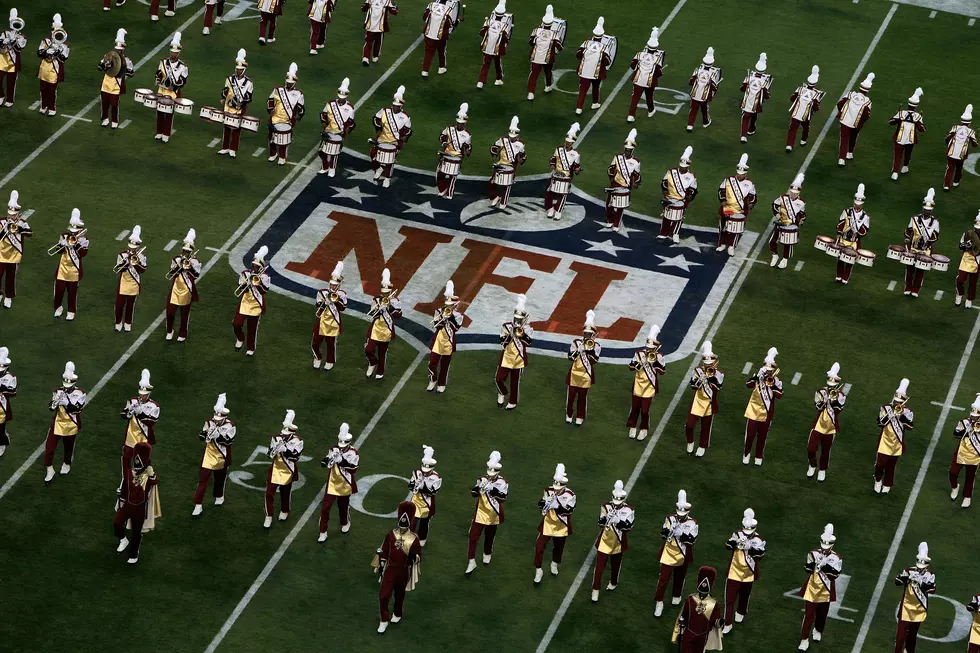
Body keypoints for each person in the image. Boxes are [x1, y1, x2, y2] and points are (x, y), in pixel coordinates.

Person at [375, 502, 422, 634]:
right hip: (390, 569)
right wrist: (381, 564)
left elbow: (419, 556)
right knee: (383, 596)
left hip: (403, 570)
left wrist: (414, 556)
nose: (401, 528)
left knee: (400, 595)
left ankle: (397, 613)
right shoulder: (391, 534)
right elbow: (384, 550)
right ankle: (383, 620)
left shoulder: (414, 538)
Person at [113, 442, 160, 565]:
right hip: (128, 505)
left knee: (136, 533)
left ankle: (134, 554)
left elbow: (155, 481)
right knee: (117, 523)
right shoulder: (130, 472)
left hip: (140, 508)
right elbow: (125, 487)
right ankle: (123, 540)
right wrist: (121, 502)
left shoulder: (148, 475)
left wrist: (151, 473)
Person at [798, 524, 842, 651]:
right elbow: (807, 568)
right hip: (812, 589)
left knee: (822, 615)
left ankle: (818, 630)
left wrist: (825, 566)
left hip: (826, 590)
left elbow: (835, 575)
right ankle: (804, 639)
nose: (825, 549)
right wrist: (815, 565)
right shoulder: (813, 553)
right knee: (808, 616)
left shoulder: (836, 558)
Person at [655, 490, 699, 617]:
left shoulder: (693, 523)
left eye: (683, 514)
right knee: (663, 579)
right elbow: (663, 533)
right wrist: (667, 531)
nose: (680, 516)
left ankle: (676, 594)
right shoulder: (670, 518)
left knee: (680, 577)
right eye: (679, 513)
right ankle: (659, 602)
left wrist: (681, 534)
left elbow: (692, 540)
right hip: (668, 552)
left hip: (683, 553)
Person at [192, 393, 236, 516]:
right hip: (209, 455)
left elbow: (229, 441)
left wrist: (218, 436)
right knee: (203, 480)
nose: (216, 421)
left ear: (224, 418)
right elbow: (202, 435)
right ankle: (198, 505)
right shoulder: (209, 422)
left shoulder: (230, 426)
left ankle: (219, 495)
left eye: (219, 420)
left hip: (222, 455)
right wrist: (205, 435)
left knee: (220, 478)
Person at [465, 450, 509, 575]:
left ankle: (487, 553)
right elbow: (474, 494)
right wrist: (477, 490)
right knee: (473, 536)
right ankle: (471, 561)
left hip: (493, 514)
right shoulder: (482, 479)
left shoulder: (503, 483)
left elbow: (503, 499)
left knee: (489, 537)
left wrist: (495, 492)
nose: (490, 475)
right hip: (480, 512)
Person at [723, 509, 766, 634]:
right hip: (734, 571)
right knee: (729, 599)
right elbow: (727, 545)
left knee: (744, 596)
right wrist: (735, 543)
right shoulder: (737, 534)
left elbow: (761, 555)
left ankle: (741, 611)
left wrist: (750, 548)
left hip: (748, 573)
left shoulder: (758, 540)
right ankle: (727, 623)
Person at [590, 480, 634, 603]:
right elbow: (600, 522)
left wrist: (618, 520)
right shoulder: (606, 506)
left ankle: (613, 582)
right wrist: (606, 519)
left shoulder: (629, 510)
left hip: (618, 541)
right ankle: (595, 589)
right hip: (605, 540)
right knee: (599, 567)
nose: (616, 504)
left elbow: (628, 527)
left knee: (615, 565)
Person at [43, 361, 86, 483]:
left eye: (69, 385)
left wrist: (66, 403)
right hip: (58, 423)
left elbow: (77, 409)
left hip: (71, 424)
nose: (66, 387)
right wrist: (54, 403)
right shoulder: (58, 391)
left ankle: (67, 463)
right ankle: (49, 469)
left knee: (68, 447)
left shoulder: (80, 393)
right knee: (49, 447)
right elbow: (51, 406)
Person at [534, 464, 576, 583]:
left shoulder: (570, 495)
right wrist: (543, 503)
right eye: (555, 486)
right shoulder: (548, 491)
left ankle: (554, 563)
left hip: (561, 525)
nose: (556, 489)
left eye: (558, 487)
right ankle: (538, 570)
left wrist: (556, 506)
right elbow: (541, 502)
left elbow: (569, 510)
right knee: (539, 547)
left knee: (558, 548)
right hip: (547, 523)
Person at [318, 423, 359, 542]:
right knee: (325, 508)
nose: (341, 447)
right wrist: (329, 460)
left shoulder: (353, 453)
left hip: (345, 483)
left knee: (343, 506)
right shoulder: (334, 449)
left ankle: (345, 522)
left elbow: (354, 469)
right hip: (332, 483)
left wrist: (342, 461)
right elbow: (327, 462)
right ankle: (322, 531)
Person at [743, 347, 783, 466]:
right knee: (750, 435)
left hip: (767, 413)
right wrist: (757, 377)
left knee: (762, 436)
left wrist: (772, 385)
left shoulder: (776, 380)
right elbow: (748, 385)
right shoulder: (758, 376)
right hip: (753, 411)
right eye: (766, 369)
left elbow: (780, 395)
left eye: (770, 370)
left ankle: (759, 456)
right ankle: (746, 454)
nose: (768, 372)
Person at [807, 363, 846, 482]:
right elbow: (817, 406)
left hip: (831, 427)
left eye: (833, 385)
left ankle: (822, 470)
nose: (830, 387)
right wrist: (825, 400)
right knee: (811, 448)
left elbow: (838, 411)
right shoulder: (820, 392)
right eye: (829, 385)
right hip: (818, 424)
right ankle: (812, 465)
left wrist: (833, 402)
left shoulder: (841, 395)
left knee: (826, 450)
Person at [894, 542, 936, 653]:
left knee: (911, 638)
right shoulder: (909, 571)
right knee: (900, 638)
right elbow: (897, 581)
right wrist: (907, 578)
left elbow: (932, 590)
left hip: (918, 610)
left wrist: (922, 584)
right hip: (906, 608)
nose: (919, 569)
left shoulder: (930, 575)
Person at [264, 409, 303, 528]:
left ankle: (284, 510)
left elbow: (296, 457)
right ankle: (268, 515)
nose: (283, 436)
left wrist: (286, 450)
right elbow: (270, 452)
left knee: (285, 492)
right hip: (276, 468)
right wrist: (273, 450)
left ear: (292, 433)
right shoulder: (276, 438)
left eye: (286, 435)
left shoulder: (298, 441)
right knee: (269, 493)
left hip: (288, 469)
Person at [874, 378, 914, 495]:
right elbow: (879, 423)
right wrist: (891, 414)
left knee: (891, 465)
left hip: (897, 442)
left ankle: (887, 484)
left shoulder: (907, 411)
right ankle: (877, 479)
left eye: (899, 402)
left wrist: (901, 416)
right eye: (896, 401)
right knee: (880, 464)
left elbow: (910, 426)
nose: (897, 404)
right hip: (884, 441)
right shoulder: (886, 408)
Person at [626, 324, 666, 441]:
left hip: (650, 386)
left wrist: (654, 362)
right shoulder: (639, 354)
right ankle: (632, 426)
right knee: (635, 407)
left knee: (645, 410)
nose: (648, 349)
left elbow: (662, 371)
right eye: (647, 347)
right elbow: (631, 367)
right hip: (638, 384)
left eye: (650, 348)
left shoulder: (659, 356)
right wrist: (640, 362)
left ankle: (644, 429)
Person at [672, 566, 724, 653]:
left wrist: (720, 622)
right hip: (688, 633)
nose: (702, 594)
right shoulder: (690, 599)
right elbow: (683, 616)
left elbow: (715, 621)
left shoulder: (714, 604)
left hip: (702, 636)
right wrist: (679, 631)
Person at [119, 369, 160, 477]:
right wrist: (129, 411)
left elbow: (151, 422)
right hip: (130, 436)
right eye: (140, 394)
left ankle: (141, 482)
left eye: (144, 395)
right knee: (126, 458)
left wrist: (140, 413)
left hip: (143, 438)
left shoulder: (154, 406)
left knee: (142, 463)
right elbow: (123, 414)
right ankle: (125, 482)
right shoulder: (132, 401)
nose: (142, 396)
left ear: (149, 394)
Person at [686, 341, 724, 457]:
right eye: (706, 363)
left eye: (710, 363)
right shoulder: (697, 371)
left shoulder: (719, 374)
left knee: (706, 427)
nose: (708, 365)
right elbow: (693, 386)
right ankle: (690, 442)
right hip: (697, 401)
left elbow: (718, 388)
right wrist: (700, 380)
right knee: (689, 425)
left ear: (713, 363)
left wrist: (711, 379)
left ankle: (702, 446)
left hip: (709, 403)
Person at [370, 85, 412, 187]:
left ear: (401, 106)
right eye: (394, 105)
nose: (395, 107)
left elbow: (408, 131)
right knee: (373, 155)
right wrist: (379, 129)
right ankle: (380, 169)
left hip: (395, 142)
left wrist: (404, 137)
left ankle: (387, 178)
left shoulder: (405, 117)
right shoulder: (384, 110)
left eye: (397, 106)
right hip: (382, 139)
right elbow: (375, 119)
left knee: (389, 161)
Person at [495, 294, 532, 409]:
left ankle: (513, 401)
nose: (517, 321)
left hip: (519, 358)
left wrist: (521, 333)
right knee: (498, 379)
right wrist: (511, 334)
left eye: (519, 319)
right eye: (516, 318)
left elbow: (528, 343)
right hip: (506, 357)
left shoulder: (527, 329)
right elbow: (503, 343)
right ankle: (502, 393)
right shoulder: (506, 326)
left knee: (515, 382)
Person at [233, 246, 271, 356]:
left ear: (261, 268)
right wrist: (247, 282)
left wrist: (257, 283)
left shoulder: (265, 277)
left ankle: (250, 348)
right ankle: (240, 338)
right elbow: (241, 288)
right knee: (236, 323)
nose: (254, 268)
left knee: (252, 328)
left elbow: (264, 291)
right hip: (245, 302)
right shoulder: (245, 273)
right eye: (253, 266)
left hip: (256, 304)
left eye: (256, 267)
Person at [365, 268, 402, 379]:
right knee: (369, 349)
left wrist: (389, 307)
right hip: (375, 328)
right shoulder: (377, 299)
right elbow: (372, 314)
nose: (384, 294)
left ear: (390, 292)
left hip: (386, 330)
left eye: (386, 293)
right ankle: (372, 362)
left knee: (382, 353)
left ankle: (380, 371)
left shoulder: (395, 301)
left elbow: (399, 316)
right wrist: (379, 308)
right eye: (383, 292)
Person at [716, 153, 756, 256]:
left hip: (740, 210)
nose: (739, 175)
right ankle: (721, 244)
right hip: (727, 208)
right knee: (723, 227)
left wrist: (751, 204)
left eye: (741, 174)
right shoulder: (729, 180)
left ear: (745, 174)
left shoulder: (750, 183)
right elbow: (721, 190)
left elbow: (753, 196)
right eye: (738, 173)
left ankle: (731, 246)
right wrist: (723, 200)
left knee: (735, 230)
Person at [902, 188, 940, 297]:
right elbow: (908, 230)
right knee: (909, 269)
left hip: (925, 249)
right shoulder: (914, 218)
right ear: (923, 209)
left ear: (931, 210)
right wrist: (907, 238)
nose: (927, 211)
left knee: (920, 270)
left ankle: (916, 290)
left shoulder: (935, 222)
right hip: (913, 247)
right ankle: (908, 287)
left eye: (929, 210)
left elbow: (935, 236)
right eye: (925, 209)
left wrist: (926, 243)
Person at [165, 229, 200, 342]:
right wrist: (177, 267)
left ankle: (183, 333)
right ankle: (170, 331)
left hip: (187, 289)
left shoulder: (195, 261)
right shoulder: (176, 259)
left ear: (191, 251)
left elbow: (196, 275)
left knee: (184, 314)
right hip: (175, 288)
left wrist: (189, 267)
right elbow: (170, 273)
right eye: (184, 250)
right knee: (170, 312)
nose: (185, 253)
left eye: (187, 251)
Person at [51, 208, 88, 321]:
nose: (73, 232)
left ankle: (71, 311)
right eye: (72, 230)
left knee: (72, 292)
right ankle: (58, 308)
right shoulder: (64, 236)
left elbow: (83, 253)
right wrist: (63, 244)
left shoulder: (84, 239)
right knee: (59, 290)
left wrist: (76, 244)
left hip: (74, 269)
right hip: (62, 268)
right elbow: (58, 251)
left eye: (75, 231)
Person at [266, 63, 305, 165]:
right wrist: (270, 110)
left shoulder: (299, 94)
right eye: (287, 82)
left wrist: (297, 116)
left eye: (290, 83)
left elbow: (300, 108)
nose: (288, 84)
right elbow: (270, 100)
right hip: (275, 117)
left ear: (294, 83)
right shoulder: (278, 89)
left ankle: (282, 157)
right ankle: (273, 154)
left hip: (287, 119)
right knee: (271, 138)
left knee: (284, 139)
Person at [565, 310, 600, 425]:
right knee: (570, 397)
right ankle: (569, 414)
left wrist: (589, 351)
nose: (586, 335)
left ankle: (580, 416)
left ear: (592, 334)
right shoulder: (576, 343)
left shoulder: (596, 345)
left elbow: (595, 360)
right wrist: (579, 351)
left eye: (589, 334)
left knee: (582, 397)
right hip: (574, 373)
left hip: (586, 375)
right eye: (585, 333)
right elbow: (570, 357)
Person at [217, 49, 253, 158]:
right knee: (226, 127)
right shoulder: (229, 79)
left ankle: (233, 149)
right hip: (228, 106)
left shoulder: (248, 83)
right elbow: (225, 90)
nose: (238, 71)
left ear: (244, 70)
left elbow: (249, 97)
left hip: (239, 107)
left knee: (237, 129)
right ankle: (225, 147)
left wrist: (240, 104)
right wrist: (223, 98)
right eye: (237, 69)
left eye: (240, 70)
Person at [428, 281, 463, 392]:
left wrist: (450, 317)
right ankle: (433, 379)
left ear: (453, 306)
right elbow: (436, 326)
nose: (447, 307)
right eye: (446, 305)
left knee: (445, 365)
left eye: (449, 306)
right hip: (438, 341)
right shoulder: (438, 311)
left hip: (448, 342)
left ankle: (441, 383)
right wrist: (442, 318)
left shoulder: (458, 316)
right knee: (432, 363)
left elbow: (456, 328)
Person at [153, 32, 187, 143]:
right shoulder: (163, 62)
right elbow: (159, 73)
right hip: (162, 90)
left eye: (176, 53)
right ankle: (159, 132)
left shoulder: (183, 66)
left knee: (168, 113)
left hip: (173, 92)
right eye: (172, 52)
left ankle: (166, 133)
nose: (173, 54)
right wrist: (157, 80)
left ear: (179, 53)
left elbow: (183, 80)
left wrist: (174, 86)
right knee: (159, 111)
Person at [312, 261, 347, 370]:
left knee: (331, 344)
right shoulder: (322, 292)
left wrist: (335, 300)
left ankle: (330, 361)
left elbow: (343, 308)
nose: (332, 286)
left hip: (334, 321)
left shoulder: (342, 294)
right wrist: (325, 302)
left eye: (335, 285)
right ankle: (317, 357)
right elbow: (317, 306)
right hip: (322, 320)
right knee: (315, 343)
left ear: (339, 285)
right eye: (331, 284)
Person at [317, 78, 356, 177]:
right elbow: (323, 114)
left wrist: (344, 133)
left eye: (343, 97)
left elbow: (351, 123)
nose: (341, 98)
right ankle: (325, 167)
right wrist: (324, 124)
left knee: (334, 153)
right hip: (328, 131)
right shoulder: (330, 103)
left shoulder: (350, 108)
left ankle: (332, 169)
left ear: (346, 96)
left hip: (338, 133)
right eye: (340, 96)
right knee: (322, 151)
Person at [574, 17, 613, 115]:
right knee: (596, 87)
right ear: (602, 36)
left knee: (582, 90)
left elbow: (578, 54)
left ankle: (579, 108)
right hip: (596, 72)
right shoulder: (604, 47)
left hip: (584, 71)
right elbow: (607, 61)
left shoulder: (586, 43)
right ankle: (595, 103)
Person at [0, 191, 32, 308]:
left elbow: (30, 233)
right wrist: (4, 230)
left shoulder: (22, 223)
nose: (10, 216)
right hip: (1, 253)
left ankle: (8, 297)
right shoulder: (2, 221)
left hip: (14, 255)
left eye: (13, 214)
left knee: (10, 276)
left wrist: (18, 229)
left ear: (17, 214)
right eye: (9, 214)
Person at [605, 129, 641, 232]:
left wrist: (636, 183)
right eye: (626, 149)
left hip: (626, 186)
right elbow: (611, 168)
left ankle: (616, 223)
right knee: (609, 204)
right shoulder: (617, 157)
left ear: (632, 150)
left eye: (629, 150)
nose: (627, 152)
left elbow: (637, 174)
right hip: (615, 183)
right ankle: (610, 220)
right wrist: (611, 178)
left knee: (620, 206)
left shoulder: (636, 162)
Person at [659, 147, 698, 242]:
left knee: (679, 217)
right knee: (666, 216)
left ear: (688, 166)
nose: (681, 168)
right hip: (669, 197)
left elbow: (693, 189)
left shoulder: (691, 176)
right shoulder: (671, 172)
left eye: (684, 167)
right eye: (681, 166)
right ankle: (663, 233)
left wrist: (690, 196)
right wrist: (664, 190)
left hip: (682, 200)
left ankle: (675, 234)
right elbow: (664, 182)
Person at [98, 29, 135, 129]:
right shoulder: (108, 56)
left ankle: (114, 120)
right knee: (104, 103)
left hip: (116, 84)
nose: (118, 51)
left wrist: (123, 70)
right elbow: (100, 66)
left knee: (114, 104)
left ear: (123, 50)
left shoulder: (127, 60)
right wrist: (105, 65)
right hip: (106, 82)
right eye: (117, 49)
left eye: (120, 50)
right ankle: (105, 118)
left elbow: (132, 73)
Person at [544, 123, 582, 220]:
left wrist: (577, 170)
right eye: (567, 141)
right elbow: (553, 158)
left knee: (563, 194)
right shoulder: (559, 149)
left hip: (566, 176)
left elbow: (576, 166)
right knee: (550, 192)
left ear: (573, 142)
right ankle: (550, 208)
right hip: (556, 174)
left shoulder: (576, 154)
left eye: (570, 142)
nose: (568, 143)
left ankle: (558, 211)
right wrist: (552, 164)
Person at [626, 28, 664, 123]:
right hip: (649, 82)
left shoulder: (639, 54)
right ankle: (650, 110)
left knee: (635, 97)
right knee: (649, 96)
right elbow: (658, 73)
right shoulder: (657, 59)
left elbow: (632, 65)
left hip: (638, 79)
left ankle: (630, 115)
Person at [113, 226, 147, 332]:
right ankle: (118, 323)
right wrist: (126, 262)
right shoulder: (122, 255)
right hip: (123, 283)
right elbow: (118, 269)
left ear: (138, 246)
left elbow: (143, 269)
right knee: (119, 305)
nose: (132, 249)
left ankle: (128, 323)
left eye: (134, 247)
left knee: (130, 306)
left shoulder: (141, 256)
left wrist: (136, 263)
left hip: (134, 283)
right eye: (131, 247)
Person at [769, 173, 807, 269]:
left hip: (791, 225)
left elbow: (802, 214)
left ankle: (785, 259)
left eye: (795, 193)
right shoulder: (783, 197)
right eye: (792, 192)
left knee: (787, 244)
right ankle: (775, 255)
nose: (793, 194)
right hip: (780, 223)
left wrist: (801, 220)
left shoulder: (802, 202)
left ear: (798, 193)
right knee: (772, 241)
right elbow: (774, 205)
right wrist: (777, 214)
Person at [949, 394, 980, 508]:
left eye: (975, 417)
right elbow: (955, 434)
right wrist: (966, 431)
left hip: (975, 454)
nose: (973, 419)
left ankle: (967, 497)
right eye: (972, 416)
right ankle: (954, 487)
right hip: (961, 451)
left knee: (970, 477)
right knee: (953, 472)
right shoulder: (964, 422)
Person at [836, 73, 874, 166]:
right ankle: (849, 153)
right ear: (868, 90)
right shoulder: (868, 101)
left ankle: (841, 159)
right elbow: (866, 115)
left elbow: (840, 104)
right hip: (856, 123)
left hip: (845, 120)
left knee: (844, 139)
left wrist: (841, 112)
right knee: (853, 137)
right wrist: (861, 122)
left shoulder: (850, 94)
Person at [834, 184, 870, 284]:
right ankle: (839, 275)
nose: (857, 205)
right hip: (843, 238)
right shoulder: (846, 211)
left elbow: (865, 229)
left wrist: (858, 233)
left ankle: (845, 277)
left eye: (859, 204)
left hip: (854, 241)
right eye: (856, 203)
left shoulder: (865, 216)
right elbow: (841, 223)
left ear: (862, 204)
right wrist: (838, 233)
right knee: (840, 258)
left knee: (851, 260)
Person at [489, 116, 526, 209]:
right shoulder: (502, 140)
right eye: (510, 136)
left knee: (507, 185)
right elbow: (494, 147)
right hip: (500, 164)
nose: (511, 138)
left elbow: (523, 155)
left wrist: (521, 160)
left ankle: (503, 202)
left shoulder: (521, 144)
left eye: (513, 137)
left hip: (511, 166)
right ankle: (494, 197)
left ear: (517, 135)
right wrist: (494, 154)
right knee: (492, 182)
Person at [889, 87, 926, 181]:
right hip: (911, 139)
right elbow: (922, 129)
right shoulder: (918, 116)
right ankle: (905, 167)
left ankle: (895, 172)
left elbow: (890, 122)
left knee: (898, 155)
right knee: (908, 153)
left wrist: (897, 117)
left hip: (899, 137)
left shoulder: (901, 113)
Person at [435, 104, 472, 199]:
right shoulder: (449, 129)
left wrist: (467, 150)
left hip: (456, 157)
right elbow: (442, 136)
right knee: (439, 174)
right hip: (446, 154)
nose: (460, 125)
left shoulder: (467, 134)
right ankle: (442, 189)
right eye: (458, 123)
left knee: (453, 177)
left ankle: (450, 193)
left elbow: (468, 147)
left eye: (462, 123)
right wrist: (444, 143)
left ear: (465, 123)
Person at [526, 5, 562, 100]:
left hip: (536, 57)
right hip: (548, 58)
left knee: (533, 74)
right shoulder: (554, 34)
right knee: (548, 72)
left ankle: (530, 93)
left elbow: (530, 41)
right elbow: (559, 47)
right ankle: (548, 86)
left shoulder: (536, 30)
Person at [36, 13, 69, 116]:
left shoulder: (64, 45)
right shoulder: (46, 41)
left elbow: (64, 58)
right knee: (43, 88)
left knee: (52, 89)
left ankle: (52, 107)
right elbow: (39, 53)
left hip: (55, 68)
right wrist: (47, 52)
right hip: (44, 67)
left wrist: (57, 52)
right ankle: (43, 105)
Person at [408, 445, 442, 544]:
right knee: (413, 521)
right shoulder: (417, 472)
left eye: (427, 471)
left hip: (427, 503)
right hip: (416, 501)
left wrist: (422, 487)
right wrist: (414, 484)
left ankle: (422, 539)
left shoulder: (436, 478)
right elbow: (410, 485)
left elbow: (433, 492)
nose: (425, 473)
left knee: (424, 522)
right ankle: (410, 538)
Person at [786, 65, 822, 152]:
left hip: (796, 113)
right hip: (806, 115)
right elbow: (816, 108)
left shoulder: (800, 89)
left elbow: (791, 99)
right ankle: (803, 140)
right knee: (806, 127)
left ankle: (789, 145)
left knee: (793, 129)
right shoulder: (817, 94)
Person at [476, 1, 511, 89]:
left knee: (485, 64)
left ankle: (480, 82)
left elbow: (481, 33)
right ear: (503, 15)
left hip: (487, 47)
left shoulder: (488, 22)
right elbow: (505, 39)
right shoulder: (504, 26)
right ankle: (498, 79)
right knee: (498, 63)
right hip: (497, 49)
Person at [421, 0, 459, 76]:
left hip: (428, 34)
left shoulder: (431, 5)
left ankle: (425, 71)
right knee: (442, 51)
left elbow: (424, 17)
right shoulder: (449, 9)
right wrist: (458, 21)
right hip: (440, 37)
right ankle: (441, 68)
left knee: (428, 53)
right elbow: (450, 25)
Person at [739, 53, 771, 143]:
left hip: (747, 101)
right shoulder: (765, 80)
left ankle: (744, 135)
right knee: (753, 115)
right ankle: (751, 129)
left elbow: (742, 89)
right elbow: (766, 95)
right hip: (756, 104)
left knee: (746, 117)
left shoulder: (749, 76)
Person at [944, 104, 977, 191]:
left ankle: (946, 186)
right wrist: (975, 143)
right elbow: (975, 144)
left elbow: (947, 138)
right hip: (961, 155)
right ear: (969, 122)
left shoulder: (955, 127)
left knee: (950, 168)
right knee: (959, 168)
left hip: (951, 152)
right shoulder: (971, 132)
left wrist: (948, 145)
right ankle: (955, 182)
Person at [687, 47, 721, 131]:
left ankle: (690, 125)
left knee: (693, 110)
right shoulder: (714, 73)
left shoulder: (698, 70)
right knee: (704, 109)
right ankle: (705, 122)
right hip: (704, 97)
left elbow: (691, 81)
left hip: (695, 94)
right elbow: (714, 87)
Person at [0, 9, 27, 107]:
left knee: (11, 83)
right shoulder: (5, 33)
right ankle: (1, 96)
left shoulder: (22, 37)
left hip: (13, 62)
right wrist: (3, 42)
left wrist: (13, 41)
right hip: (2, 60)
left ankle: (10, 100)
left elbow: (20, 48)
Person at [362, 0, 399, 65]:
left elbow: (364, 8)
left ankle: (366, 57)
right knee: (378, 42)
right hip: (380, 27)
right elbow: (394, 12)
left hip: (370, 25)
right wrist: (396, 8)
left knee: (368, 42)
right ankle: (375, 56)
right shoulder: (387, 1)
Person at [956, 211, 980, 308]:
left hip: (977, 260)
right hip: (966, 258)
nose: (977, 230)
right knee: (960, 279)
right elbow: (960, 246)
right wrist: (967, 245)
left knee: (973, 282)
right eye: (976, 228)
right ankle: (959, 294)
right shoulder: (968, 234)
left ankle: (969, 299)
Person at [0, 347, 14, 457]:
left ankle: (2, 443)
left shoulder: (10, 377)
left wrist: (3, 389)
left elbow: (13, 392)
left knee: (0, 428)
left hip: (2, 406)